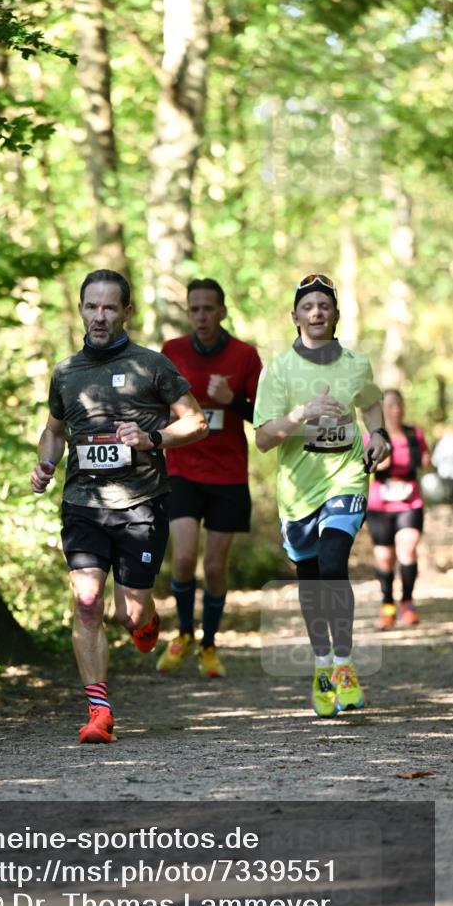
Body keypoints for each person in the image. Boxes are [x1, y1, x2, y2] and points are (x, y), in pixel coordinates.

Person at [30, 269, 208, 744]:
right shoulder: (67, 372)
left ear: (126, 312)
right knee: (87, 602)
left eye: (110, 307)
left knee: (131, 613)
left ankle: (146, 621)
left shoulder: (152, 366)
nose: (99, 316)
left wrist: (153, 438)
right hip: (83, 504)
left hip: (141, 505)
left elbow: (196, 422)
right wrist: (46, 464)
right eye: (92, 306)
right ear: (82, 309)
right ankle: (99, 711)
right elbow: (54, 430)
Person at [253, 273, 390, 717]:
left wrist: (379, 435)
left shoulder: (355, 363)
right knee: (310, 581)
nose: (316, 313)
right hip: (297, 491)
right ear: (295, 316)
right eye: (308, 306)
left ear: (335, 315)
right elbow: (264, 439)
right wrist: (301, 414)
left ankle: (346, 665)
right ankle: (322, 668)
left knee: (334, 562)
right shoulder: (277, 369)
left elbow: (370, 403)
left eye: (324, 306)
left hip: (346, 478)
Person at [155, 278, 262, 678]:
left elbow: (263, 417)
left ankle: (210, 644)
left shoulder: (245, 356)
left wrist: (231, 398)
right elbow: (156, 404)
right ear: (188, 312)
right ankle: (183, 633)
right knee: (183, 558)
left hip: (229, 474)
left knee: (215, 568)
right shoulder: (172, 352)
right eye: (194, 309)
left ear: (222, 312)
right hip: (182, 468)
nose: (201, 316)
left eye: (208, 309)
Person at [365, 390, 431, 628]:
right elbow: (367, 466)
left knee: (408, 547)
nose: (396, 410)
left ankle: (407, 604)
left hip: (410, 502)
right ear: (382, 410)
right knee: (385, 558)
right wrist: (380, 460)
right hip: (380, 505)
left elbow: (426, 460)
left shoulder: (415, 434)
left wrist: (428, 462)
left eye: (399, 405)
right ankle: (387, 605)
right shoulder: (373, 437)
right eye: (391, 405)